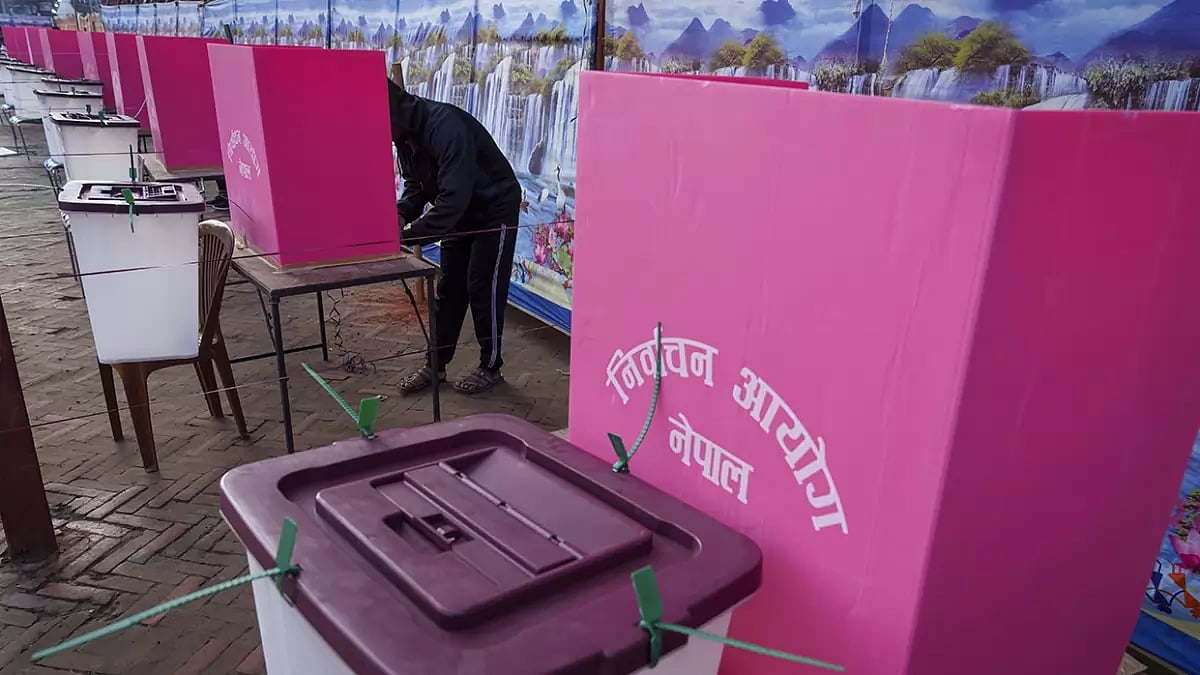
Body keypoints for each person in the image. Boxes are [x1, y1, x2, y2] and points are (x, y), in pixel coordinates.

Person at [389, 79, 522, 395]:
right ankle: (435, 366)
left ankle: (491, 367)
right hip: (459, 211)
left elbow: (454, 198)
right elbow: (417, 185)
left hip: (494, 208)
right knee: (448, 289)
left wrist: (407, 237)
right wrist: (401, 213)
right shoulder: (405, 138)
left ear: (393, 114)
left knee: (483, 285)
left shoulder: (445, 127)